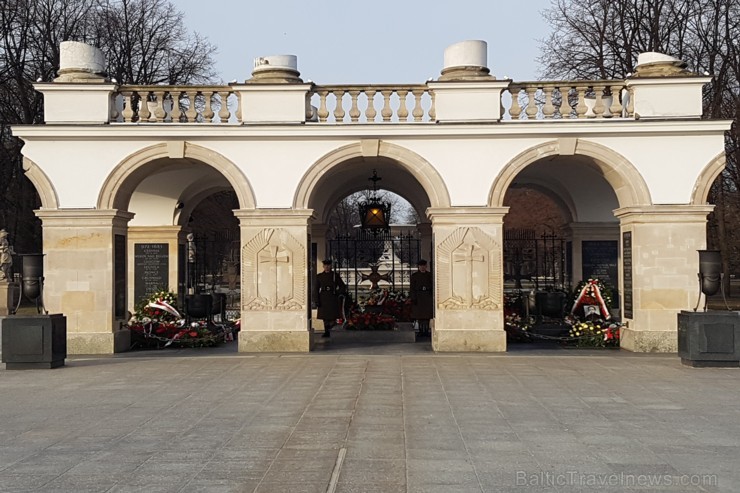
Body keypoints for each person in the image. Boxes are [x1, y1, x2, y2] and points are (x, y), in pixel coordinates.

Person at [313, 259, 346, 338]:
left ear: (330, 266)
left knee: (332, 315)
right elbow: (316, 289)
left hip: (332, 296)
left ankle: (331, 326)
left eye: (328, 266)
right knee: (325, 317)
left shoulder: (335, 275)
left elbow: (342, 286)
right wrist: (316, 300)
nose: (327, 267)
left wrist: (338, 293)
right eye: (325, 266)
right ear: (323, 266)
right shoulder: (319, 276)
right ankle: (326, 331)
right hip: (323, 296)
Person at [410, 259, 433, 339]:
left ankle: (426, 330)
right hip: (418, 296)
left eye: (424, 266)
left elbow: (433, 286)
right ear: (418, 267)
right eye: (421, 266)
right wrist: (413, 298)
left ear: (426, 266)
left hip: (427, 296)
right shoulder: (415, 276)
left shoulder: (429, 275)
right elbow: (412, 288)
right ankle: (420, 330)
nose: (422, 267)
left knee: (427, 315)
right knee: (419, 315)